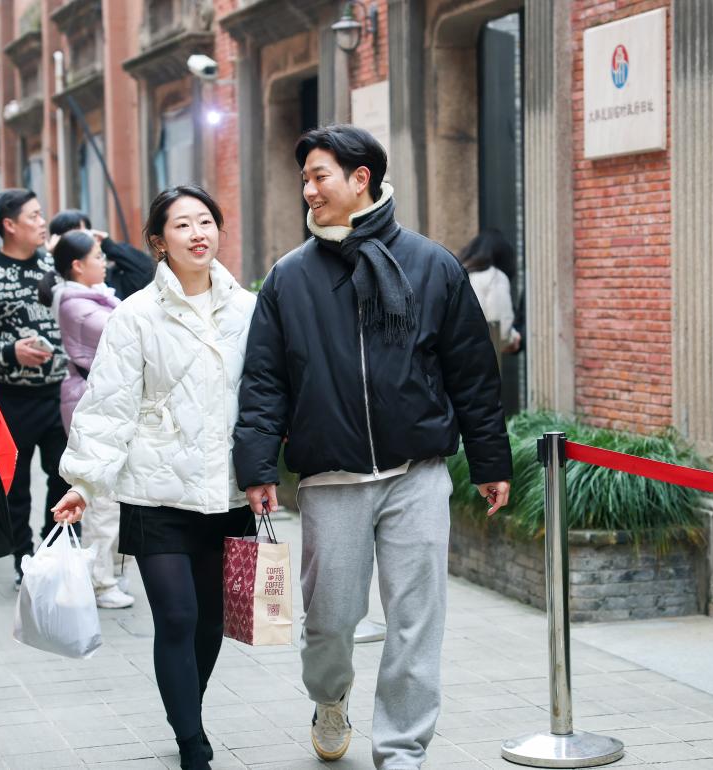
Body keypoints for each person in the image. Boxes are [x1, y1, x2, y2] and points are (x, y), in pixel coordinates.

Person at [233, 125, 512, 770]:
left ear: (361, 179)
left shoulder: (432, 265)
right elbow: (266, 381)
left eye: (319, 176)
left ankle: (402, 748)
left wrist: (490, 460)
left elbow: (472, 372)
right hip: (332, 479)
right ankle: (329, 698)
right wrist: (257, 465)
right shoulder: (289, 278)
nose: (309, 190)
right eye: (304, 179)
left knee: (417, 618)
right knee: (330, 620)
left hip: (418, 472)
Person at [52, 185, 256, 770]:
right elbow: (108, 405)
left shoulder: (248, 310)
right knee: (177, 617)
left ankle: (188, 709)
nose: (197, 233)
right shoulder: (135, 314)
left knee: (212, 622)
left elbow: (268, 394)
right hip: (155, 491)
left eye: (205, 221)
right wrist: (84, 483)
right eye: (182, 224)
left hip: (228, 491)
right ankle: (191, 743)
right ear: (159, 241)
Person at [0, 189, 70, 590]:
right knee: (14, 487)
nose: (42, 222)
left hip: (60, 393)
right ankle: (24, 560)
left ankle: (57, 552)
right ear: (9, 225)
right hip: (8, 399)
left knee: (66, 478)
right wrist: (9, 351)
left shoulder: (55, 267)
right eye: (34, 216)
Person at [37, 230, 132, 609]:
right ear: (77, 266)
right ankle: (100, 582)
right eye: (97, 255)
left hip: (104, 401)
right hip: (91, 402)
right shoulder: (76, 304)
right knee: (102, 497)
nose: (104, 261)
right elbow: (127, 329)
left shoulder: (94, 296)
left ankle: (109, 575)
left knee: (114, 494)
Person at [47, 208, 155, 300]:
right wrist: (53, 256)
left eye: (87, 232)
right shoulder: (54, 280)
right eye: (77, 235)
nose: (86, 238)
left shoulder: (108, 279)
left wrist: (108, 244)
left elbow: (146, 269)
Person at [458, 229, 521, 355]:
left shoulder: (460, 274)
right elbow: (500, 330)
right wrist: (514, 338)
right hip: (477, 357)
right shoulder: (495, 277)